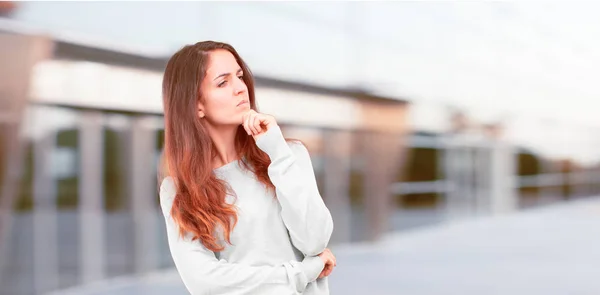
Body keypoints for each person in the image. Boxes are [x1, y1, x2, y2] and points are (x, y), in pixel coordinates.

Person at [158, 40, 336, 295]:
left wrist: (277, 152)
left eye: (239, 76)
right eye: (223, 82)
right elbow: (205, 281)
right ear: (196, 105)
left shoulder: (288, 155)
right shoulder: (177, 190)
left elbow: (315, 240)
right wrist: (303, 272)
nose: (241, 89)